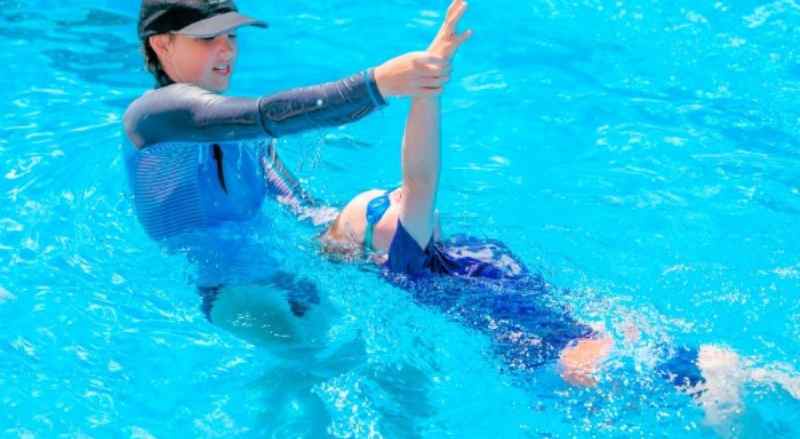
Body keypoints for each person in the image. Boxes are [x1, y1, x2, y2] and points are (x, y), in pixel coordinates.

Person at [315, 0, 800, 431]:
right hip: (560, 359)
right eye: (378, 205)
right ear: (377, 256)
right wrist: (427, 85)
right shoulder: (409, 267)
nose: (394, 192)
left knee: (736, 372)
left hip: (578, 338)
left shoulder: (451, 251)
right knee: (719, 390)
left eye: (385, 189)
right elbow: (420, 178)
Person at [123, 0, 460, 346]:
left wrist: (360, 231)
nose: (226, 49)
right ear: (161, 44)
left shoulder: (240, 133)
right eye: (208, 39)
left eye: (232, 36)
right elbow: (269, 115)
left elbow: (300, 207)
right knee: (316, 361)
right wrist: (378, 84)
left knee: (356, 348)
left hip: (282, 270)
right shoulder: (150, 118)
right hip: (224, 290)